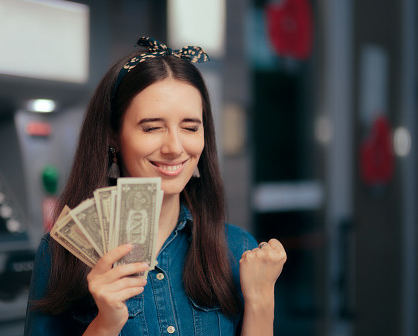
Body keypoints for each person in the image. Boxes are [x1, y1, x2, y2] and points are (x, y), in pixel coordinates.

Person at [24, 36, 286, 336]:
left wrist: (262, 299)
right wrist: (105, 323)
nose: (175, 147)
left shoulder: (238, 249)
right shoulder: (60, 256)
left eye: (190, 127)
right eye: (152, 127)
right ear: (113, 135)